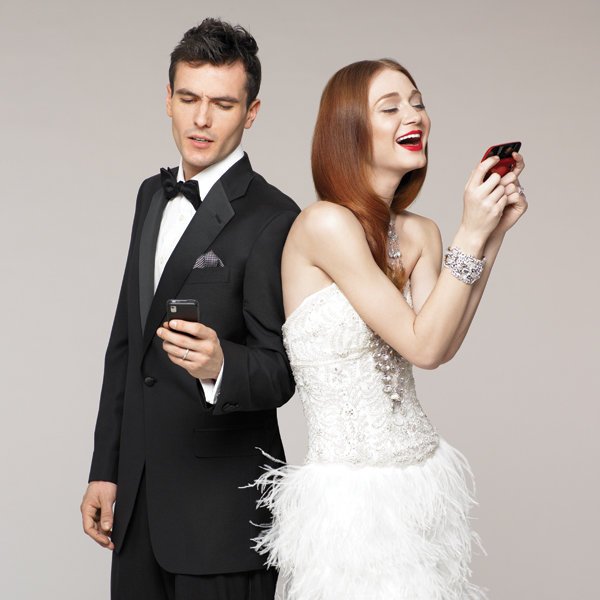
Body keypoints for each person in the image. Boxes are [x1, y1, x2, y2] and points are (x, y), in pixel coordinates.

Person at [252, 59, 527, 599]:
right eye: (391, 107)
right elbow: (421, 346)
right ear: (348, 130)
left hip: (421, 484)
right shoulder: (324, 224)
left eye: (418, 102)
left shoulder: (421, 232)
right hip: (351, 500)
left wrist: (491, 235)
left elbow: (441, 342)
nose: (414, 116)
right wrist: (470, 234)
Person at [80, 18, 299, 600]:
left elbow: (283, 372)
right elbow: (126, 344)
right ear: (168, 100)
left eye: (222, 104)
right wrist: (106, 468)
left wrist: (221, 365)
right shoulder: (150, 195)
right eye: (188, 99)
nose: (201, 119)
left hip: (222, 520)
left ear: (251, 112)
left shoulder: (277, 218)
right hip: (138, 509)